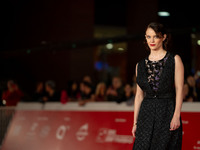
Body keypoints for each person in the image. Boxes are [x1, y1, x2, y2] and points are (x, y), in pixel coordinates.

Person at [132, 22, 184, 149]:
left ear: (164, 37)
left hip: (167, 112)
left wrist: (176, 115)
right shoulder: (140, 65)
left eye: (156, 36)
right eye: (148, 37)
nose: (152, 40)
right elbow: (139, 96)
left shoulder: (174, 59)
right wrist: (135, 122)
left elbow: (179, 89)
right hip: (146, 114)